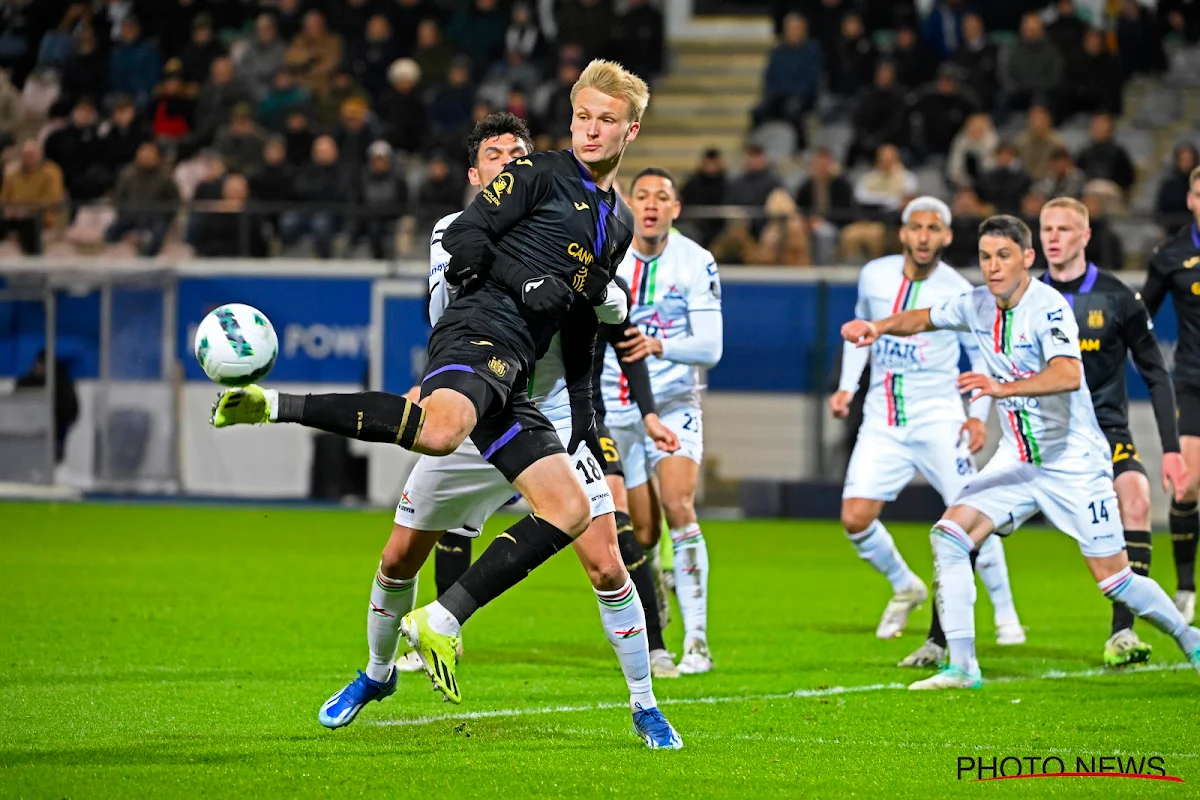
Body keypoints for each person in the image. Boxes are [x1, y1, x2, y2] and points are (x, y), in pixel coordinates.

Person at [210, 62, 669, 719]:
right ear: (569, 120)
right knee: (415, 508)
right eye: (583, 117)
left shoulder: (615, 225)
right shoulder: (538, 174)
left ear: (632, 129)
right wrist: (524, 284)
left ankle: (628, 697)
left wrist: (587, 415)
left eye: (605, 120)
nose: (592, 130)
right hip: (475, 346)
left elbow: (582, 323)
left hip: (521, 388)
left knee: (580, 528)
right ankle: (276, 408)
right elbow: (462, 235)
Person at [309, 113, 681, 748]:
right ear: (477, 174)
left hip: (545, 416)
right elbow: (454, 301)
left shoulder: (578, 225)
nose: (509, 163)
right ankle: (375, 675)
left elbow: (590, 326)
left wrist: (600, 309)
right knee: (400, 556)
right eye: (495, 156)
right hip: (472, 405)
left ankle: (644, 704)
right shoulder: (454, 234)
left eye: (519, 154)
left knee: (605, 563)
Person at [842, 215, 1200, 690]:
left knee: (1115, 581)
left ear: (1027, 259)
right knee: (949, 535)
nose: (992, 267)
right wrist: (878, 326)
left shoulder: (1048, 307)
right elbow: (923, 319)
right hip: (1017, 460)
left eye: (1003, 256)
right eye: (986, 257)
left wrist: (999, 387)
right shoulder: (975, 304)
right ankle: (963, 666)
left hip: (1072, 462)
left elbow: (1068, 374)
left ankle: (1189, 636)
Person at [830, 197, 1022, 653]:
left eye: (933, 228)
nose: (923, 236)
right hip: (882, 419)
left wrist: (978, 418)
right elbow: (863, 333)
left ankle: (1006, 612)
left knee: (973, 514)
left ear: (947, 236)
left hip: (939, 418)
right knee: (855, 518)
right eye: (915, 227)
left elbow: (981, 356)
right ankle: (906, 584)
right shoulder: (874, 275)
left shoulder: (960, 290)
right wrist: (846, 387)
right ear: (902, 232)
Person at [1039, 197, 1186, 665]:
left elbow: (1155, 373)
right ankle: (944, 636)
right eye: (1046, 229)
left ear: (1084, 236)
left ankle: (1122, 632)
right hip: (1042, 437)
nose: (1053, 238)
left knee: (1137, 498)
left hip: (1105, 430)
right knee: (971, 526)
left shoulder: (1118, 297)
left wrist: (1171, 449)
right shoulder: (1025, 297)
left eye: (1064, 229)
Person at [601, 168, 724, 675]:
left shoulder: (697, 262)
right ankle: (655, 616)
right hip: (612, 407)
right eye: (642, 195)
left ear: (675, 209)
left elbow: (712, 348)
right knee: (641, 534)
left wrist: (659, 345)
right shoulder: (609, 252)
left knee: (679, 505)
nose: (652, 205)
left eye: (663, 197)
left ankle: (697, 642)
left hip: (674, 402)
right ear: (629, 204)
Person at [1141, 165, 1200, 625]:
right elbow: (1142, 320)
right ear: (1190, 199)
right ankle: (1185, 588)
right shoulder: (1171, 255)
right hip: (1193, 382)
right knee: (1186, 487)